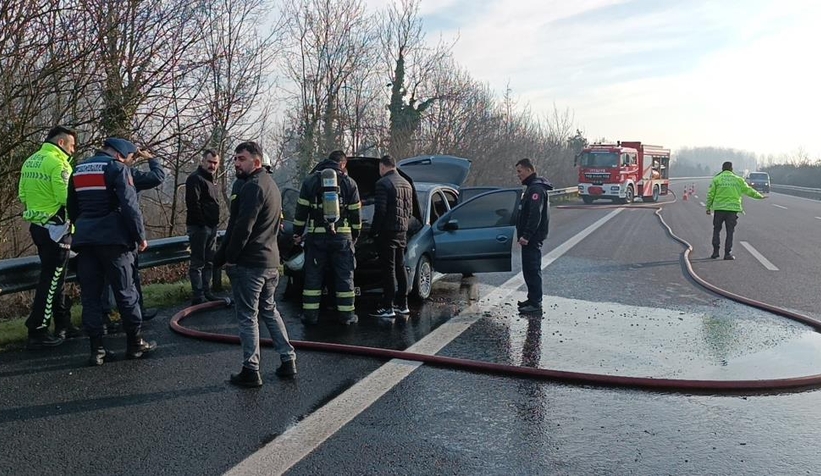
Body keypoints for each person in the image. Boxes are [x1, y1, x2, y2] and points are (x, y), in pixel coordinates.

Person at [67, 137, 156, 366]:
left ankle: (97, 350)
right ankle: (135, 344)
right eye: (129, 157)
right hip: (114, 241)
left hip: (85, 241)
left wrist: (84, 226)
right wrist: (140, 236)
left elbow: (72, 206)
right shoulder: (117, 168)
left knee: (90, 297)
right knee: (126, 293)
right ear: (119, 154)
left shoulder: (78, 170)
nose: (129, 161)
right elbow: (129, 205)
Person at [215, 141, 296, 387]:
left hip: (251, 264)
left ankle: (251, 369)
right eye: (235, 159)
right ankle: (288, 359)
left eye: (241, 159)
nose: (236, 163)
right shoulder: (272, 185)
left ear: (257, 162)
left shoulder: (252, 187)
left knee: (248, 316)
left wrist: (227, 257)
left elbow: (242, 227)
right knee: (269, 311)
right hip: (271, 261)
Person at [17, 126, 82, 348]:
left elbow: (22, 194)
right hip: (57, 229)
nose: (73, 151)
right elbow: (66, 198)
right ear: (62, 143)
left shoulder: (31, 160)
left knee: (57, 279)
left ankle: (63, 323)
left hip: (37, 227)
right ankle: (37, 330)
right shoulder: (59, 164)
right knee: (51, 280)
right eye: (72, 146)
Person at [293, 150, 362, 326]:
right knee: (345, 277)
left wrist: (297, 232)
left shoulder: (310, 181)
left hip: (316, 239)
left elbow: (301, 211)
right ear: (343, 164)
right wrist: (354, 235)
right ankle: (347, 317)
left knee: (313, 278)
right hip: (342, 239)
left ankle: (310, 316)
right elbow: (356, 214)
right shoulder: (350, 183)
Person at [100, 148, 166, 328]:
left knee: (104, 279)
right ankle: (134, 317)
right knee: (129, 277)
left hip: (99, 232)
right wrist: (151, 158)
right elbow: (157, 176)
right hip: (123, 233)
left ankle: (105, 318)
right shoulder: (128, 172)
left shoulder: (97, 172)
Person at [368, 155, 413, 319]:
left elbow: (380, 211)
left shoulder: (383, 183)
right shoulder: (406, 183)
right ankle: (403, 304)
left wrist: (373, 232)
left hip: (387, 231)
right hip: (402, 231)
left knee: (389, 269)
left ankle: (388, 306)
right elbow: (409, 210)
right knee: (400, 267)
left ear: (382, 167)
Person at [514, 158, 553, 313]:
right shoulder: (532, 187)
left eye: (520, 171)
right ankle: (532, 298)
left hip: (532, 238)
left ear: (529, 170)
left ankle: (536, 303)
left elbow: (534, 215)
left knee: (532, 268)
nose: (518, 175)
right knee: (529, 269)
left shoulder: (535, 189)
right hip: (530, 237)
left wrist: (527, 235)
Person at [706, 161, 765, 260]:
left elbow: (710, 194)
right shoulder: (738, 180)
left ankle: (715, 252)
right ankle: (727, 253)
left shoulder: (717, 179)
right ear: (732, 169)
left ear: (722, 169)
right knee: (730, 232)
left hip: (719, 209)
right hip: (732, 210)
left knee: (716, 230)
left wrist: (708, 207)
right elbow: (748, 190)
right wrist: (759, 196)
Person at [185, 149, 221, 305]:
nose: (212, 165)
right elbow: (193, 203)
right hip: (200, 227)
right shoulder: (195, 179)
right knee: (198, 262)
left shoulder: (211, 180)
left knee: (209, 261)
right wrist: (202, 224)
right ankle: (198, 295)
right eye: (210, 162)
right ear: (202, 161)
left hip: (211, 227)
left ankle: (207, 292)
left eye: (215, 163)